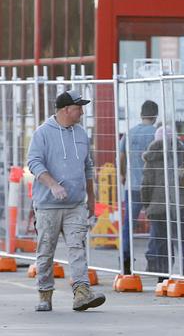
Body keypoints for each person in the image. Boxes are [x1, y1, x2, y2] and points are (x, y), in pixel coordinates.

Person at [27, 90, 106, 312]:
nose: (82, 111)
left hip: (75, 205)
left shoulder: (81, 134)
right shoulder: (42, 133)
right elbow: (33, 162)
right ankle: (45, 294)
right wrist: (52, 184)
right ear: (65, 110)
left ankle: (82, 293)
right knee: (45, 251)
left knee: (77, 248)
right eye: (78, 107)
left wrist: (91, 198)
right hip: (47, 206)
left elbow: (88, 166)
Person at [141, 126, 184, 280]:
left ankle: (163, 275)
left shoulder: (152, 158)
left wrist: (147, 206)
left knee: (162, 242)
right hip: (183, 205)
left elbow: (146, 184)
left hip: (159, 207)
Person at [119, 100, 158, 274]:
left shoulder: (130, 133)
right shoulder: (156, 133)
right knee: (157, 224)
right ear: (155, 115)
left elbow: (121, 156)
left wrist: (122, 174)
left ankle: (125, 260)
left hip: (132, 186)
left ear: (141, 114)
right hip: (153, 188)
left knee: (128, 224)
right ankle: (153, 259)